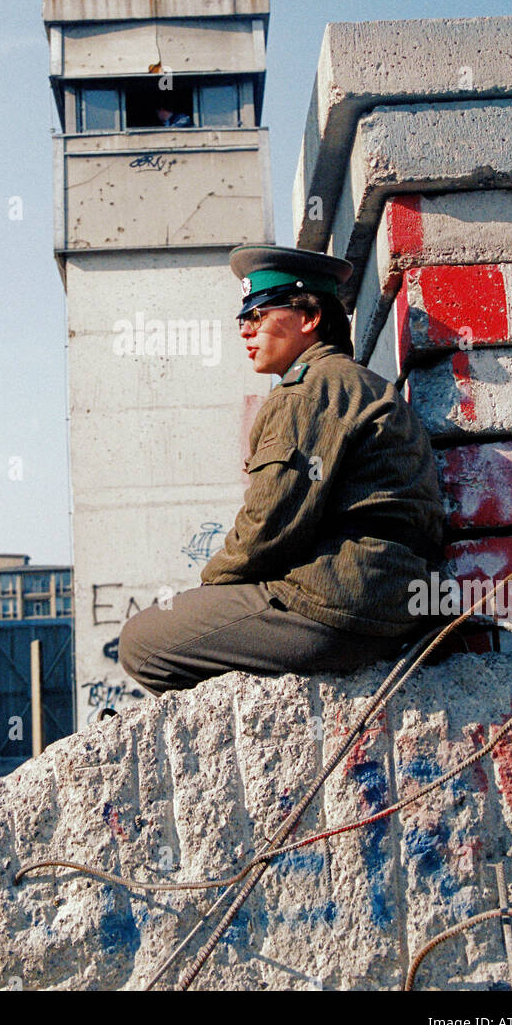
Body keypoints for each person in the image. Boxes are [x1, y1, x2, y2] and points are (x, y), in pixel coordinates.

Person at [119, 244, 445, 694]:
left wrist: (210, 591)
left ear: (308, 318)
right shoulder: (362, 383)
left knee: (143, 644)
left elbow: (267, 527)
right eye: (242, 320)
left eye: (258, 316)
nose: (245, 331)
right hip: (393, 595)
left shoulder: (305, 392)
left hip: (343, 598)